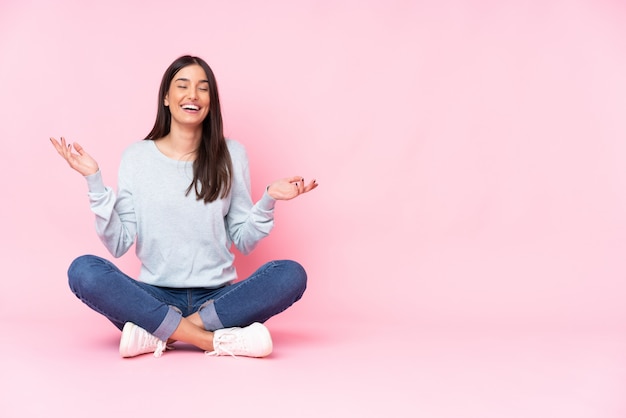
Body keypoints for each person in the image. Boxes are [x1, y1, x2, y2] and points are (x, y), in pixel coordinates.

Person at [49, 55, 317, 359]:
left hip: (218, 300)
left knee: (290, 274)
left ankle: (159, 334)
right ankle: (213, 341)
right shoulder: (136, 157)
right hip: (153, 296)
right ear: (166, 96)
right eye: (183, 85)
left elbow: (243, 240)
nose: (193, 95)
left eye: (203, 88)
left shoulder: (232, 154)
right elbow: (118, 243)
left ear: (211, 101)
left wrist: (268, 199)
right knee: (84, 271)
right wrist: (93, 181)